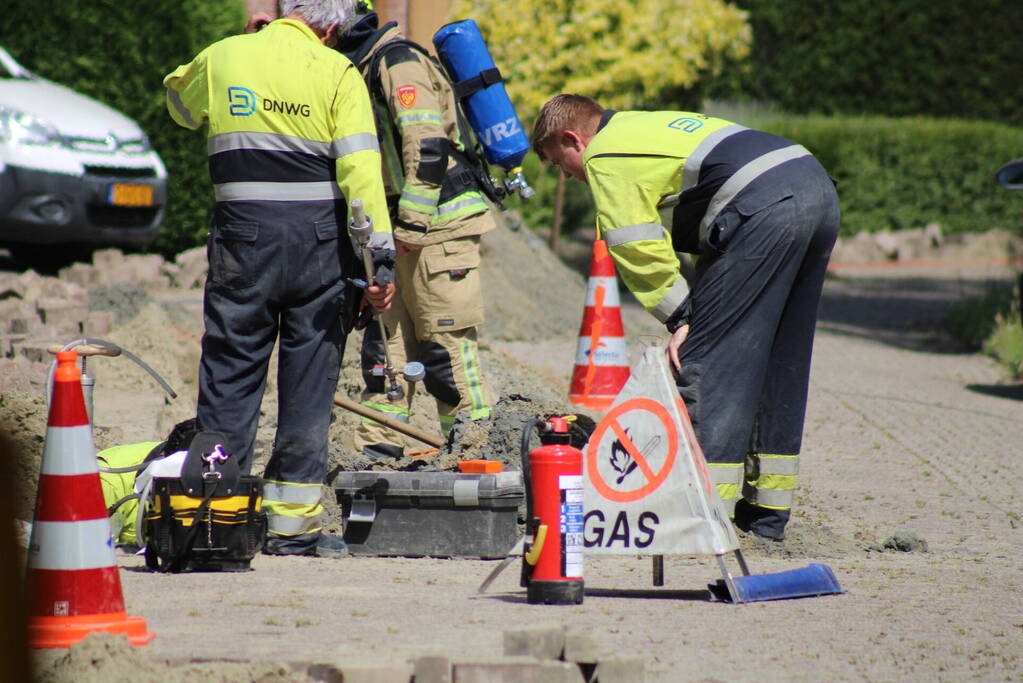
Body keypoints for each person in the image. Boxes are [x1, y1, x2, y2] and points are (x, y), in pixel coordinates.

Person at [531, 95, 839, 541]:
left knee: (709, 363)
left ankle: (702, 515)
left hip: (764, 207)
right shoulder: (643, 125)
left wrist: (682, 318)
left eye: (560, 162)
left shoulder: (604, 155)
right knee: (778, 360)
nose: (568, 175)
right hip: (814, 187)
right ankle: (766, 516)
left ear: (573, 138)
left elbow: (635, 246)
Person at [163, 0, 395, 557]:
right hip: (319, 245)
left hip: (242, 242)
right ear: (333, 28)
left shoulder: (224, 57)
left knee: (230, 373)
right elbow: (361, 174)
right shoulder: (338, 72)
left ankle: (215, 525)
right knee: (309, 382)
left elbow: (178, 104)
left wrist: (238, 51)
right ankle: (292, 531)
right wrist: (378, 265)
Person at [336, 2, 497, 460]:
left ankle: (473, 456)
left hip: (437, 228)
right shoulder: (365, 69)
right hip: (399, 231)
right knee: (382, 352)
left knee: (444, 353)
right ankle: (375, 455)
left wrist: (410, 223)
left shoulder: (397, 62)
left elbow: (427, 146)